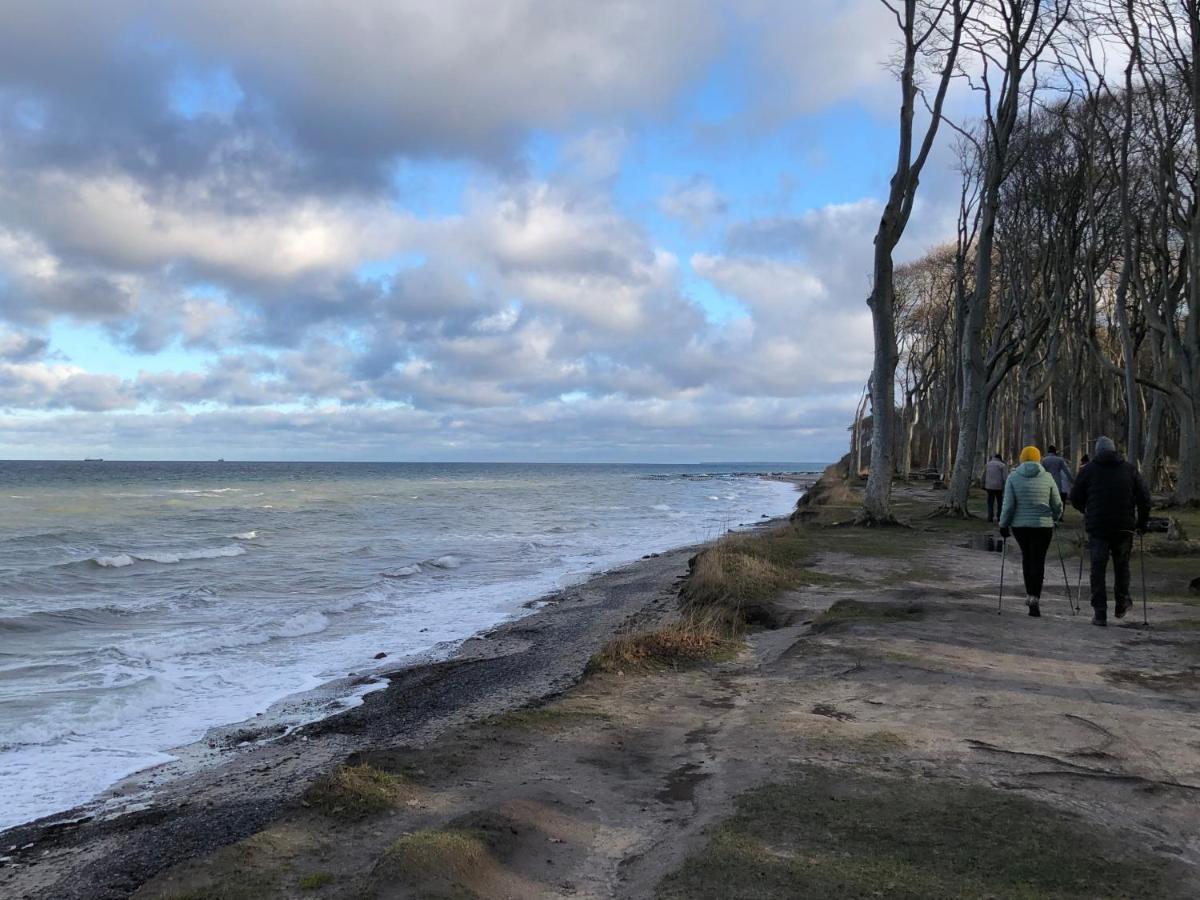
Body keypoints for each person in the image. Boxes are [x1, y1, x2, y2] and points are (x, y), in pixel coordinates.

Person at [1070, 436, 1151, 626]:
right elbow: (1144, 498)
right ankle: (1122, 603)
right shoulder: (1129, 469)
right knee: (1121, 566)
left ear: (1097, 452)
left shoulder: (1088, 470)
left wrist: (1086, 510)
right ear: (1115, 450)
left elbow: (1074, 497)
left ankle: (1100, 613)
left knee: (1098, 568)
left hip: (1098, 527)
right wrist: (1142, 523)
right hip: (1124, 526)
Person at [999, 446, 1063, 617]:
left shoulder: (1013, 477)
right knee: (1039, 560)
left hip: (1021, 526)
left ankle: (1030, 595)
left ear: (1021, 458)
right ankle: (1036, 597)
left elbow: (1009, 505)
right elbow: (1057, 503)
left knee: (1027, 558)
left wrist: (1003, 524)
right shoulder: (1048, 477)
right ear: (1038, 459)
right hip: (1043, 526)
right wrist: (1056, 517)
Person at [1040, 445, 1074, 521]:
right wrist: (1072, 481)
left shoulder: (1044, 460)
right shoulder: (1060, 460)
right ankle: (1059, 516)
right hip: (1057, 483)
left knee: (1048, 500)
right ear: (1055, 452)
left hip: (1047, 482)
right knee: (1058, 500)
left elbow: (1041, 472)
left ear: (1048, 452)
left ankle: (1049, 516)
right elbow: (1066, 471)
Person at [983, 453, 1009, 523]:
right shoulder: (1002, 465)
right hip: (999, 486)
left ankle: (990, 517)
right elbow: (1005, 477)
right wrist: (1006, 486)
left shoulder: (988, 464)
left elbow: (984, 475)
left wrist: (983, 484)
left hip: (989, 486)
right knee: (1000, 502)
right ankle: (999, 517)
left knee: (990, 502)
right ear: (1000, 458)